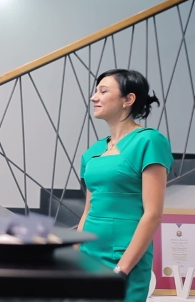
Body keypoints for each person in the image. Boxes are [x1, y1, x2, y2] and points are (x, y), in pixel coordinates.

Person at [77, 69, 173, 302]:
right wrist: (74, 256)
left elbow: (152, 214)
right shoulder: (92, 152)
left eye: (103, 91)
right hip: (88, 256)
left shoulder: (149, 141)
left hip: (125, 260)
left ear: (128, 100)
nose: (93, 97)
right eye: (95, 91)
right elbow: (88, 210)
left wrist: (122, 269)